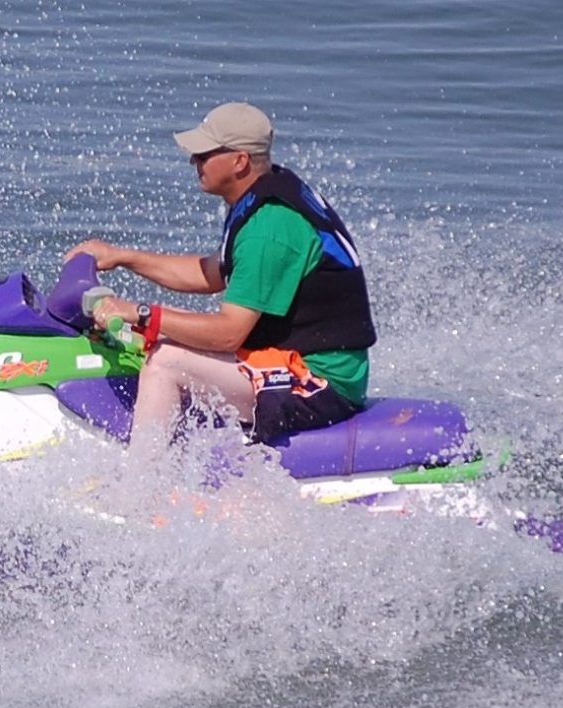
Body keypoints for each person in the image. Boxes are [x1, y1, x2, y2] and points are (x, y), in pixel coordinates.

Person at [64, 101, 376, 450]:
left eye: (203, 154)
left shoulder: (270, 227)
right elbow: (212, 273)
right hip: (293, 359)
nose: (193, 162)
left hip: (321, 382)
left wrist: (141, 312)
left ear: (239, 160)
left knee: (165, 360)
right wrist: (125, 257)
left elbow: (228, 334)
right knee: (164, 343)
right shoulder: (265, 192)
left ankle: (140, 491)